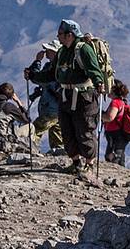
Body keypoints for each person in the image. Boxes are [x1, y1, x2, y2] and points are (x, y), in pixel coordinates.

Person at [31, 20, 105, 174]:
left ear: (69, 35)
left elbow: (93, 69)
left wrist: (99, 83)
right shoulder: (62, 52)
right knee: (67, 130)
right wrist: (33, 75)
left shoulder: (83, 49)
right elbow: (52, 74)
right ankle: (76, 162)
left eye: (60, 34)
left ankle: (89, 164)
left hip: (84, 96)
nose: (58, 37)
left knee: (84, 128)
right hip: (65, 95)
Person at [24, 40, 66, 154]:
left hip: (51, 109)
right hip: (56, 108)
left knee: (35, 129)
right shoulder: (51, 66)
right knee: (57, 134)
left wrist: (37, 61)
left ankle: (28, 150)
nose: (46, 52)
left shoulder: (54, 68)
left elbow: (37, 78)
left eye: (49, 50)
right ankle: (59, 154)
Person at [101, 80, 130, 166]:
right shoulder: (121, 102)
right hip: (119, 134)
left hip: (115, 134)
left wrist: (99, 115)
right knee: (118, 155)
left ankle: (115, 177)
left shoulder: (115, 102)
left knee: (112, 157)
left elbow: (109, 117)